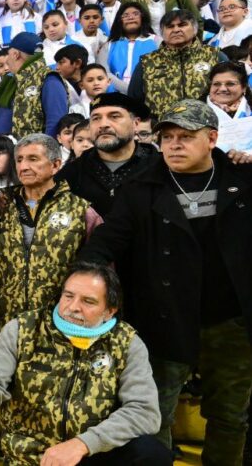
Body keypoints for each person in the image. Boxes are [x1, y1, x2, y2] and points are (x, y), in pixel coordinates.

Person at [79, 100, 252, 464]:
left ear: (212, 138)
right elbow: (107, 241)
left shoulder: (243, 181)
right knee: (154, 414)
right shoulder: (140, 188)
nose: (174, 144)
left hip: (230, 322)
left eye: (185, 137)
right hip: (162, 322)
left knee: (230, 416)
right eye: (168, 137)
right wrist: (88, 279)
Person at [0, 263, 171, 465]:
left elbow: (144, 412)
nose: (73, 307)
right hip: (33, 457)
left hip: (94, 454)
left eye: (88, 301)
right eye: (68, 296)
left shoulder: (127, 342)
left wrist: (82, 444)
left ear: (110, 310)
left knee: (152, 454)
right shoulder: (23, 329)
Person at [0, 134, 99, 320]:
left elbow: (100, 272)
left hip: (61, 321)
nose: (24, 167)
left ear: (56, 165)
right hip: (8, 320)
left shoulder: (80, 211)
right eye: (19, 160)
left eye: (33, 159)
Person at [55, 93, 155, 216]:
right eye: (96, 118)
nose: (103, 124)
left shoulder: (159, 166)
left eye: (114, 116)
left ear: (136, 124)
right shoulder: (73, 173)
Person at [128, 9, 225, 115]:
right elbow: (134, 102)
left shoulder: (214, 56)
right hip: (162, 128)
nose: (176, 30)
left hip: (208, 125)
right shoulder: (147, 62)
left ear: (195, 29)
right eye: (170, 26)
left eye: (182, 25)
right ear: (161, 33)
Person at [0, 32, 69, 137]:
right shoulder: (18, 80)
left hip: (33, 151)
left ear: (15, 55)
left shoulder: (49, 79)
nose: (7, 60)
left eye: (7, 54)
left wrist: (45, 151)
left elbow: (56, 123)